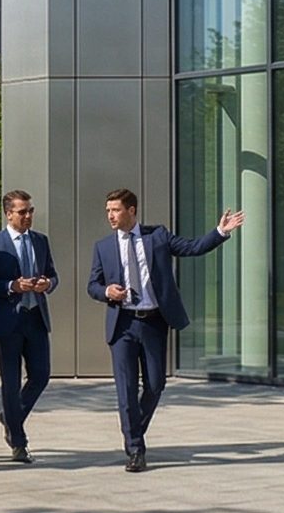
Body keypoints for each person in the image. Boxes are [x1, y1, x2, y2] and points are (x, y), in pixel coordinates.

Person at [88, 187, 243, 472]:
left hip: (153, 323)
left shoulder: (157, 236)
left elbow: (192, 248)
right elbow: (92, 286)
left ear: (131, 210)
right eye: (108, 210)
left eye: (116, 210)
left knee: (156, 384)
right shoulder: (103, 247)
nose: (110, 215)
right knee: (125, 389)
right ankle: (135, 449)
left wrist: (220, 232)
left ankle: (133, 431)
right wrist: (107, 291)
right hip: (122, 325)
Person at [0, 189, 56, 463]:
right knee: (10, 384)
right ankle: (19, 442)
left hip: (36, 317)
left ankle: (10, 417)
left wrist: (48, 284)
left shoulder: (41, 241)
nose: (28, 216)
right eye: (22, 212)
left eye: (30, 211)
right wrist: (12, 286)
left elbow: (52, 274)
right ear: (8, 213)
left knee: (41, 375)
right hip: (8, 321)